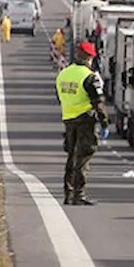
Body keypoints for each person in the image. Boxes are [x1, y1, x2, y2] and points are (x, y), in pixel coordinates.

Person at [55, 41, 109, 205]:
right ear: (90, 57)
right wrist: (105, 122)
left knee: (71, 156)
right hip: (85, 119)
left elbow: (59, 96)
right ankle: (79, 194)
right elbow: (97, 101)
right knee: (84, 156)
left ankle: (68, 193)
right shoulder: (89, 76)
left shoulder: (64, 73)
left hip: (68, 119)